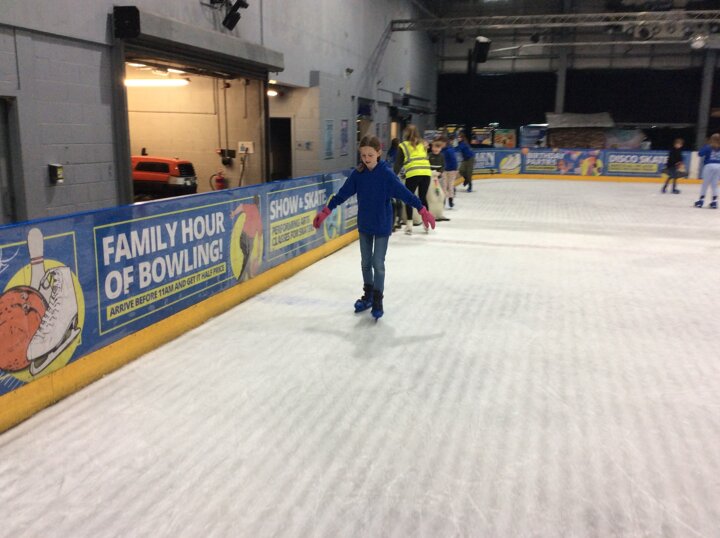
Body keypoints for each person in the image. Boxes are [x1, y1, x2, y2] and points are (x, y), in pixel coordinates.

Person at [313, 135, 435, 319]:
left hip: (382, 224)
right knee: (365, 263)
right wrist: (326, 211)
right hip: (365, 224)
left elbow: (405, 193)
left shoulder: (386, 174)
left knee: (378, 263)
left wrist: (422, 209)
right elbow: (342, 194)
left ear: (378, 153)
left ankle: (378, 300)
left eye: (370, 155)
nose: (366, 159)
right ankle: (368, 296)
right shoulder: (358, 174)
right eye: (363, 155)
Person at [394, 125, 432, 235]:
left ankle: (409, 225)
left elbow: (398, 164)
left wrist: (392, 176)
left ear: (405, 133)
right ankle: (426, 224)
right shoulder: (423, 144)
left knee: (409, 198)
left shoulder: (403, 146)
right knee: (423, 197)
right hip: (426, 173)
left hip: (413, 173)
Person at [694, 133, 720, 209]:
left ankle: (701, 201)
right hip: (718, 166)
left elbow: (700, 154)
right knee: (715, 185)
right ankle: (714, 202)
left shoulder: (708, 147)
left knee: (705, 184)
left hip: (709, 166)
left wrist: (704, 146)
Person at [438, 135, 458, 208]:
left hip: (451, 171)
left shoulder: (449, 150)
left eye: (441, 143)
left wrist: (455, 169)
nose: (440, 145)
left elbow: (453, 160)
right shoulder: (441, 150)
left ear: (445, 143)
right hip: (444, 171)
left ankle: (450, 200)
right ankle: (443, 201)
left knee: (450, 185)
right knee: (444, 185)